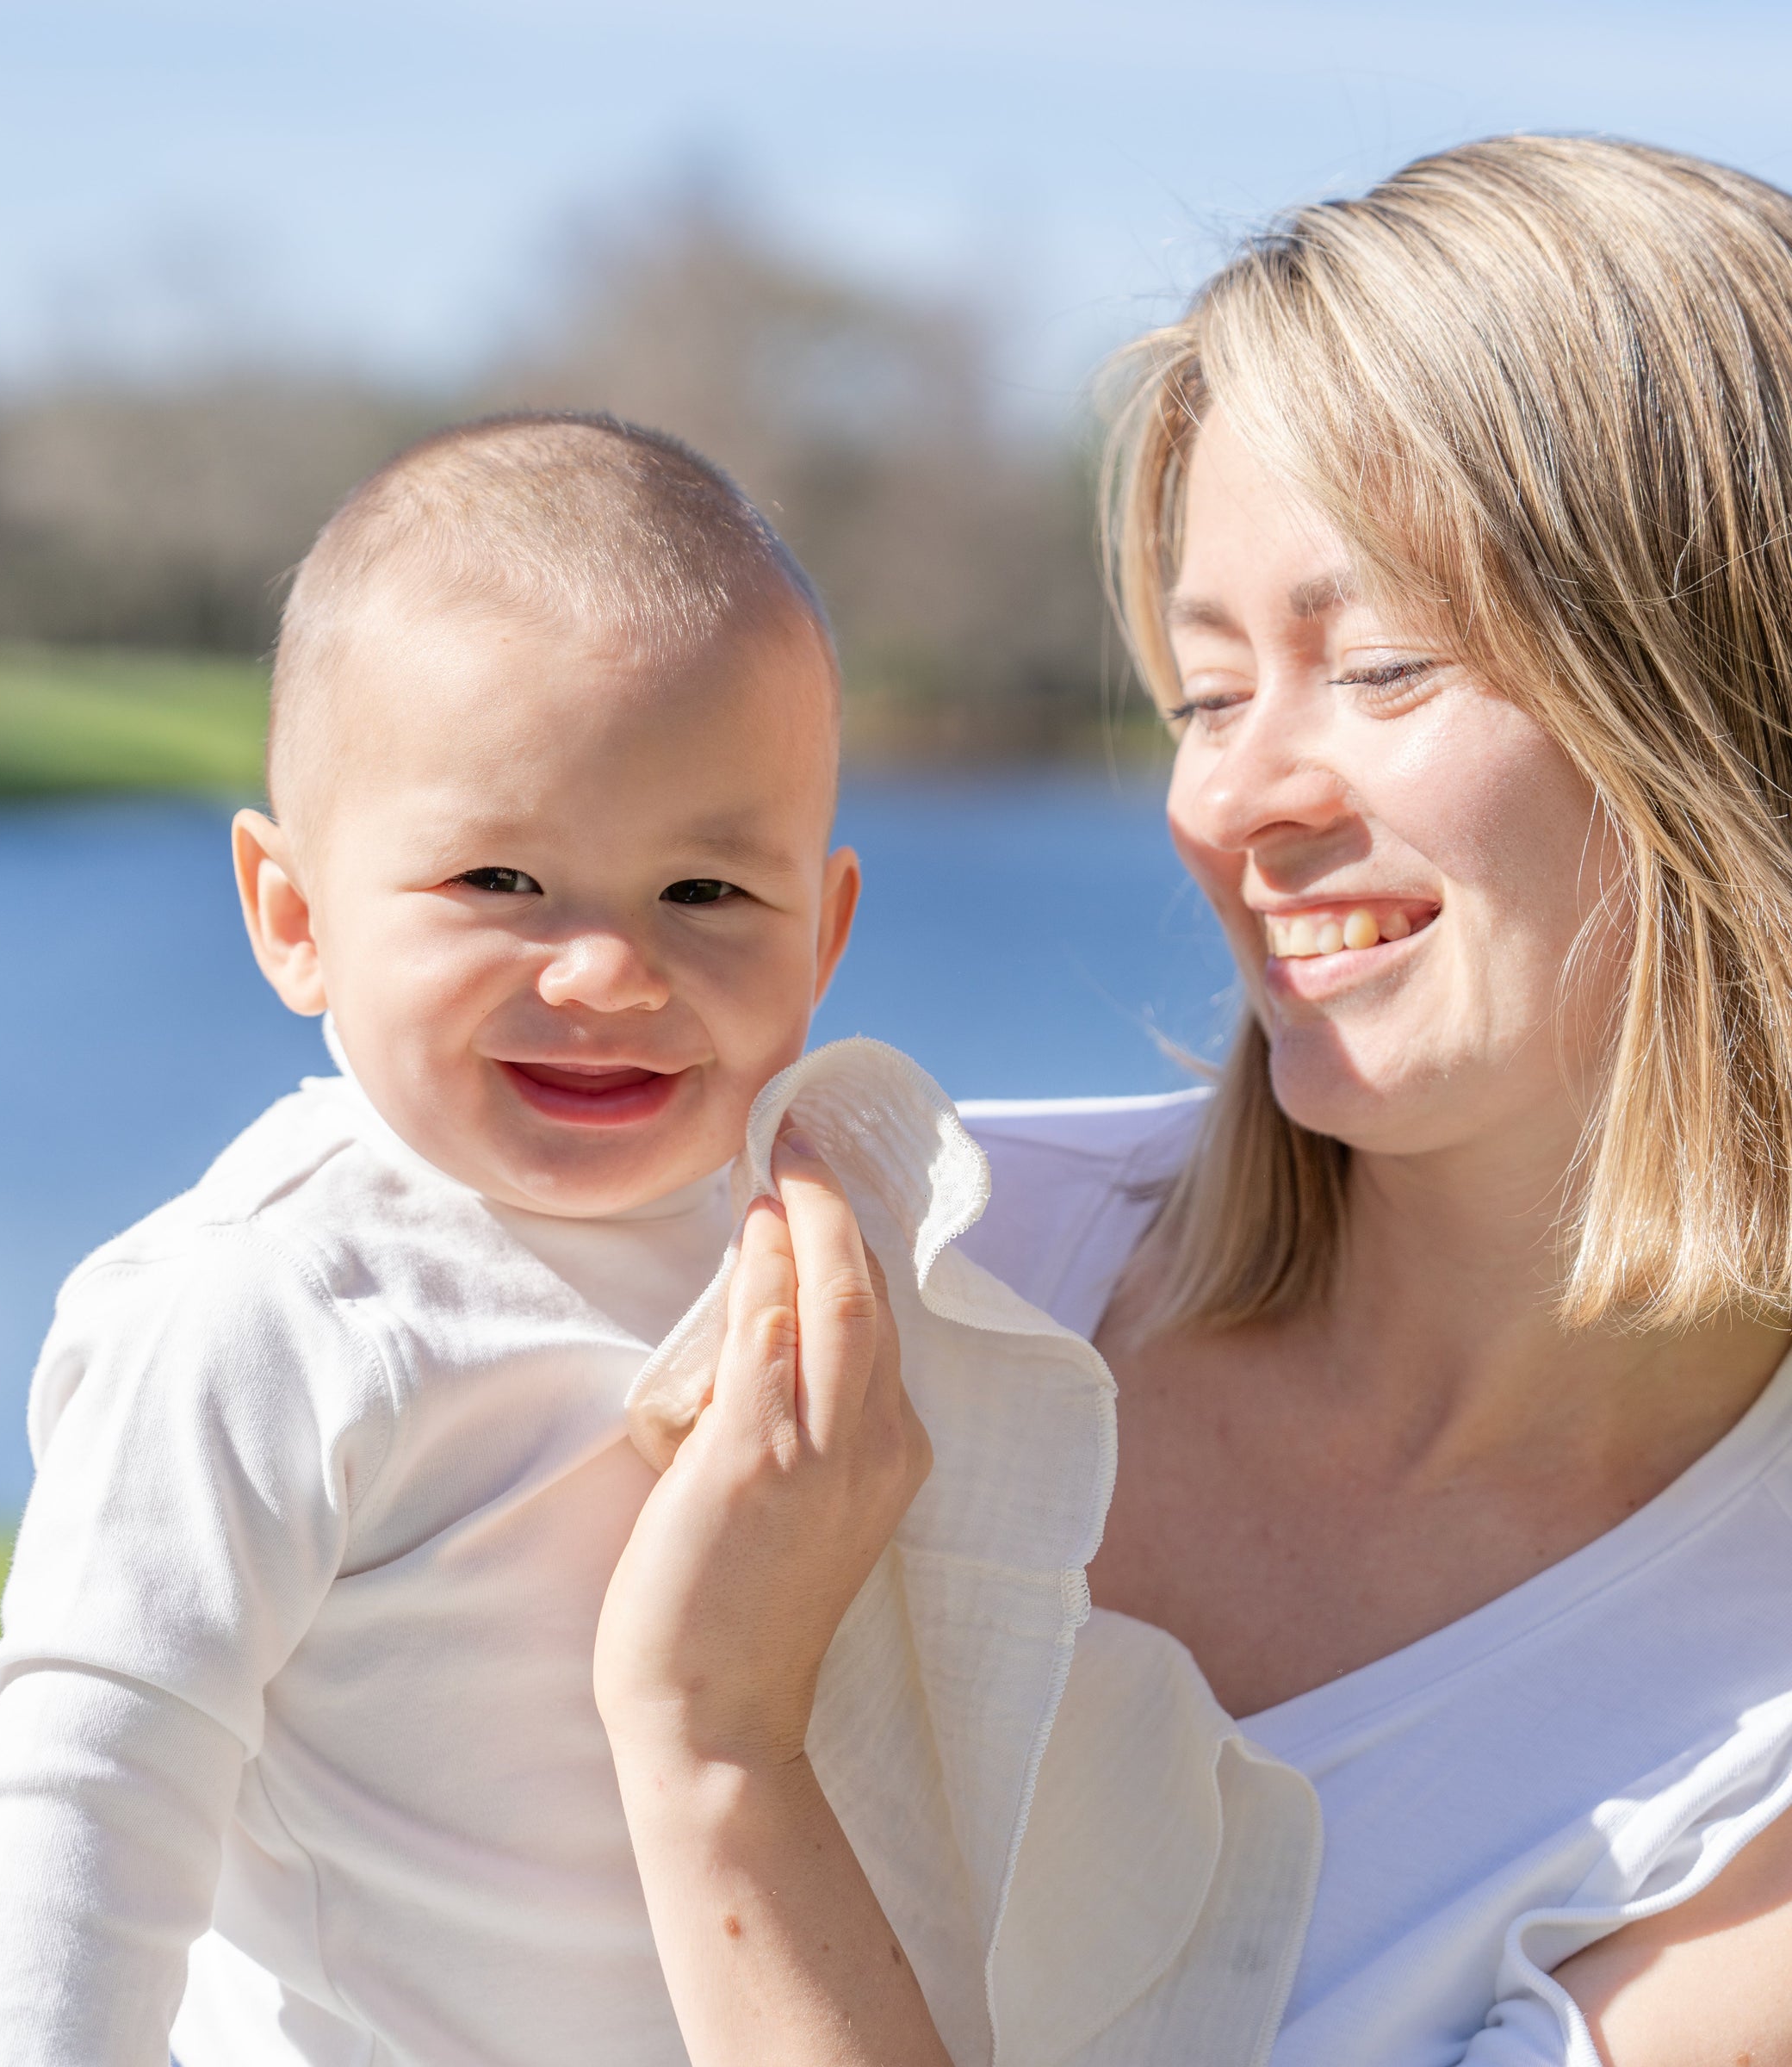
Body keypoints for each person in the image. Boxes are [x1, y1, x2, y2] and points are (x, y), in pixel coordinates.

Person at [593, 136, 1792, 2067]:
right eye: (1206, 695)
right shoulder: (907, 1261)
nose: (1233, 807)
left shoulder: (1757, 1767)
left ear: (1727, 709)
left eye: (1381, 665)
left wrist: (717, 1744)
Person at [0, 412, 1289, 2066]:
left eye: (705, 896)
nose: (609, 976)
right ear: (294, 917)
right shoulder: (271, 1300)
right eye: (502, 880)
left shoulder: (818, 1219)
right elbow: (91, 1787)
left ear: (827, 929)